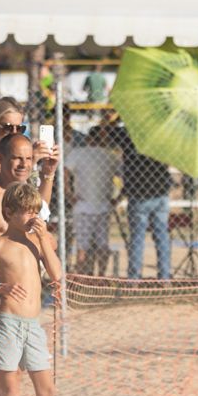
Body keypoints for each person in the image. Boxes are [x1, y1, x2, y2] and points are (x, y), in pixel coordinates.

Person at [0, 182, 66, 396]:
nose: (32, 217)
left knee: (46, 389)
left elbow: (56, 275)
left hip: (33, 323)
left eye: (35, 211)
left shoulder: (36, 242)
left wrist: (44, 240)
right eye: (26, 212)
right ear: (9, 212)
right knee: (10, 387)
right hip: (8, 321)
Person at [107, 120, 172, 280]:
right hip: (159, 190)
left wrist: (112, 118)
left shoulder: (129, 134)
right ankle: (164, 277)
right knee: (161, 236)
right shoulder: (161, 134)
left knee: (137, 237)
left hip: (138, 192)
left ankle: (134, 278)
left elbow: (107, 133)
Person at [65, 122, 120, 275]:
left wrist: (69, 194)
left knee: (83, 245)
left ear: (89, 138)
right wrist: (117, 198)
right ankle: (100, 276)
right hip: (103, 205)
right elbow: (125, 177)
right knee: (102, 244)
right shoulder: (110, 155)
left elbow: (65, 172)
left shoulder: (78, 153)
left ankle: (83, 277)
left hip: (83, 205)